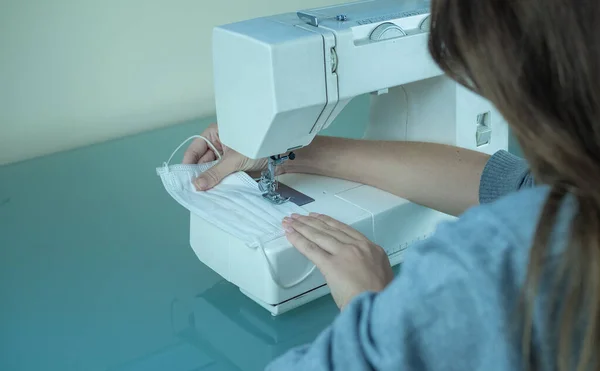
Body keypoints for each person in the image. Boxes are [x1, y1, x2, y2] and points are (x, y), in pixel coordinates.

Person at [183, 0, 600, 370]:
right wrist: (293, 150)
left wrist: (374, 314)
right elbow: (521, 188)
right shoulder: (575, 201)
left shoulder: (494, 264)